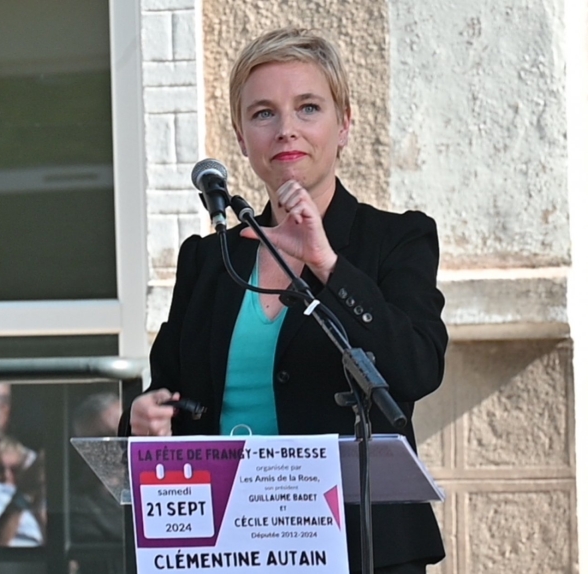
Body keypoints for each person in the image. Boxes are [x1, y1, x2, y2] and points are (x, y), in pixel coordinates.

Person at [122, 27, 448, 573]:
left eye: (308, 108)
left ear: (344, 124)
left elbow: (415, 368)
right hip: (222, 545)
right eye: (264, 113)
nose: (286, 129)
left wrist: (327, 264)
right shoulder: (209, 259)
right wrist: (140, 420)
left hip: (357, 546)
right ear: (241, 134)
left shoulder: (395, 239)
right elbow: (167, 394)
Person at [69, 392, 124, 574]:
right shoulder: (78, 505)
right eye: (102, 440)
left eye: (121, 433)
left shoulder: (157, 483)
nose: (116, 446)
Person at [0, 404, 44, 546]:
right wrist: (22, 497)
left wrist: (38, 505)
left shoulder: (8, 492)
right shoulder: (18, 496)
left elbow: (62, 555)